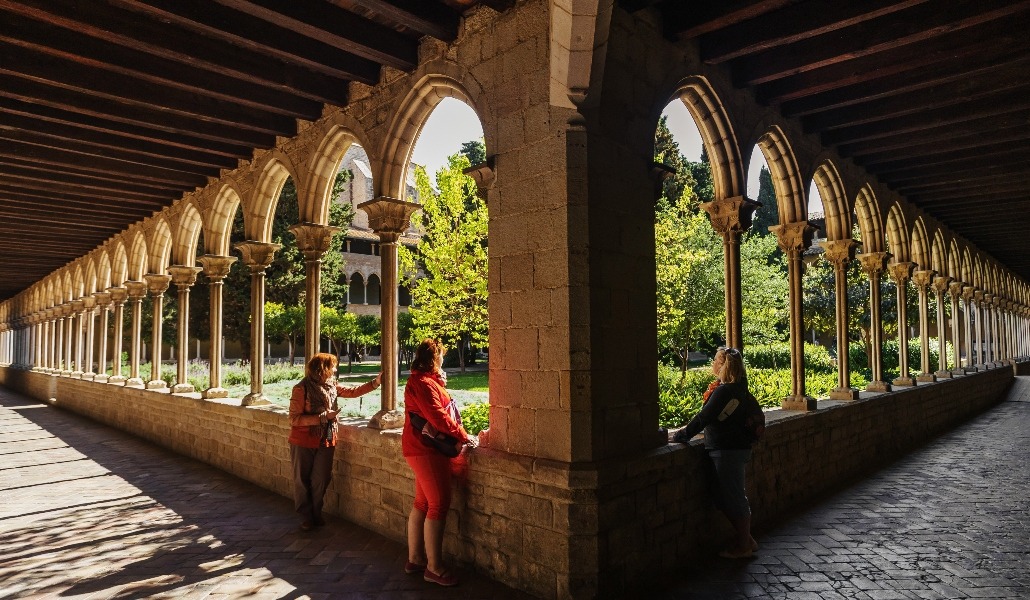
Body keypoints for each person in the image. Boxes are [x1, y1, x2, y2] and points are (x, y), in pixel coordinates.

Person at [672, 347, 760, 558]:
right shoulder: (740, 388)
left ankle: (744, 546)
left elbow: (705, 417)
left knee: (735, 497)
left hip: (727, 451)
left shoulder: (724, 391)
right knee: (724, 497)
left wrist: (682, 435)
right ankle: (747, 539)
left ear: (722, 366)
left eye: (714, 360)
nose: (712, 364)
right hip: (736, 449)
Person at [402, 339, 478, 587]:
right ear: (434, 358)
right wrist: (464, 435)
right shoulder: (423, 383)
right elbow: (439, 417)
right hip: (426, 450)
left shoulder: (424, 381)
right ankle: (433, 568)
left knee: (422, 502)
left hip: (418, 449)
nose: (443, 359)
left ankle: (415, 558)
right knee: (438, 504)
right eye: (441, 356)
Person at [288, 352, 381, 531]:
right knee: (302, 479)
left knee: (321, 478)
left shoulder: (331, 386)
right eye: (333, 366)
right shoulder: (301, 388)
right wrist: (322, 417)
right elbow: (294, 419)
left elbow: (353, 392)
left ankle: (316, 511)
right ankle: (306, 517)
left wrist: (375, 383)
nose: (336, 369)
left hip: (327, 439)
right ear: (323, 369)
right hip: (303, 440)